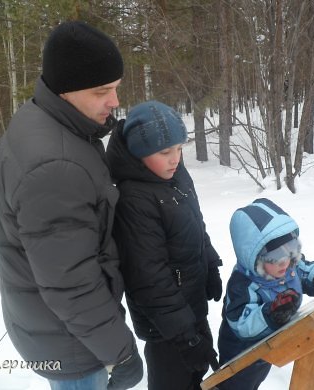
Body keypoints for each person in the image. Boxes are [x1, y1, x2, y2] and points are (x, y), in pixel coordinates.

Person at [0, 21, 143, 390]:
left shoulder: (47, 118)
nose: (115, 101)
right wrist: (119, 352)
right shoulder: (55, 167)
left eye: (116, 88)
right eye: (102, 91)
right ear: (65, 90)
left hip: (54, 327)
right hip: (73, 346)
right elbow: (71, 284)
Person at [105, 100, 223, 390]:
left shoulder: (177, 175)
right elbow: (148, 277)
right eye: (164, 152)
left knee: (198, 378)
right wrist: (185, 337)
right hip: (166, 329)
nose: (175, 158)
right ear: (138, 153)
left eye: (180, 148)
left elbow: (196, 225)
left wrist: (210, 264)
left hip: (191, 309)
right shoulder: (133, 199)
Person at [218, 198, 314, 389]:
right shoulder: (243, 284)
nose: (284, 262)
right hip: (240, 351)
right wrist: (271, 313)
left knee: (257, 377)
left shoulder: (288, 265)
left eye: (290, 250)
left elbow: (305, 271)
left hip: (269, 346)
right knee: (239, 384)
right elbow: (242, 323)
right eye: (274, 257)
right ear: (254, 258)